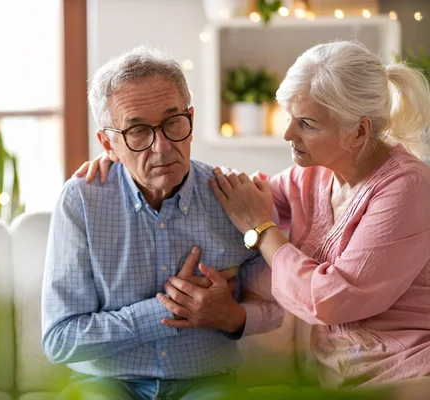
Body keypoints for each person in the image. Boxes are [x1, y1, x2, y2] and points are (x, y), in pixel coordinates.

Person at [75, 40, 430, 389]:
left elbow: (332, 300)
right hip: (340, 379)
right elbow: (228, 197)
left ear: (359, 130)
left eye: (306, 122)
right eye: (289, 117)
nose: (288, 133)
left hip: (409, 372)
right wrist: (126, 156)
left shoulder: (410, 187)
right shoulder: (312, 175)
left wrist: (262, 230)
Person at [41, 46, 284, 399]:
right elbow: (60, 340)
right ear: (108, 143)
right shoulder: (81, 200)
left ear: (191, 119)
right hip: (104, 384)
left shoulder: (233, 196)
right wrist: (163, 310)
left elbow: (275, 310)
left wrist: (230, 315)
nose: (162, 148)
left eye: (172, 123)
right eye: (138, 131)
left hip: (206, 382)